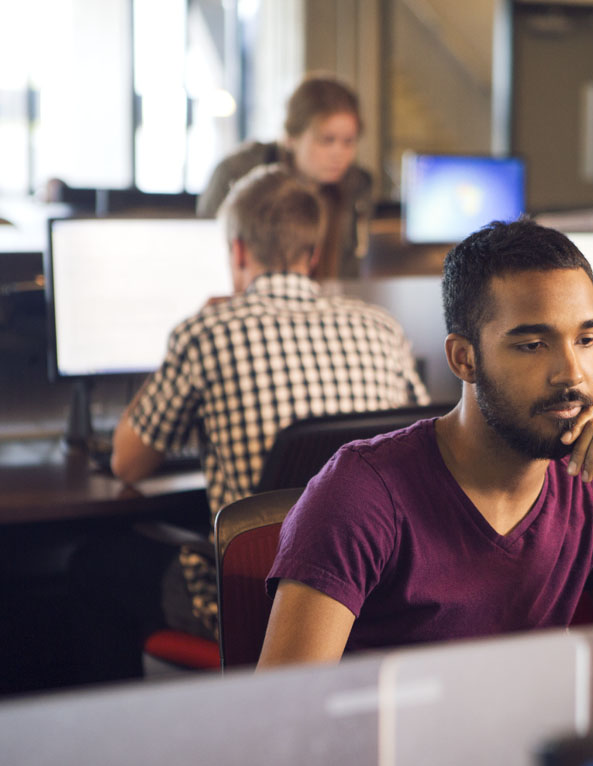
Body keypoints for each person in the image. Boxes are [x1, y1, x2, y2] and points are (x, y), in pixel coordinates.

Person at [258, 219, 593, 668]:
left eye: (586, 339)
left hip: (530, 736)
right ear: (464, 358)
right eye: (534, 344)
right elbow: (287, 715)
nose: (572, 373)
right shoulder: (361, 493)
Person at [70, 164, 428, 683]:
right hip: (375, 601)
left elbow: (127, 461)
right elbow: (418, 444)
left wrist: (195, 328)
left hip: (259, 608)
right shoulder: (382, 328)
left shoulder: (209, 330)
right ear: (311, 255)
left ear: (236, 250)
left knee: (94, 564)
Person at [197, 73, 372, 280]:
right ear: (291, 138)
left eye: (349, 141)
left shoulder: (355, 186)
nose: (339, 154)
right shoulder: (238, 173)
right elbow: (206, 251)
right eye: (327, 140)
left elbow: (350, 270)